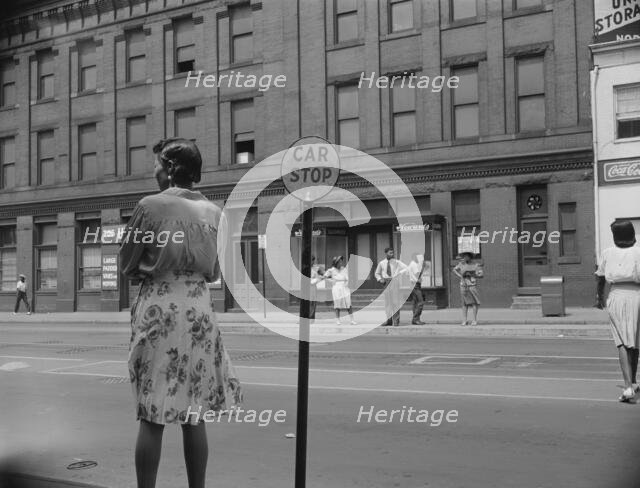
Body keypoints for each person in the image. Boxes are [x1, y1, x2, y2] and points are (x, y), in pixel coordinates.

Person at [120, 138, 243, 488]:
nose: (155, 171)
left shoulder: (150, 206)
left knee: (152, 410)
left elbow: (128, 263)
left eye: (158, 164)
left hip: (160, 306)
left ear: (171, 168)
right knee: (193, 411)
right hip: (200, 307)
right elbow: (217, 270)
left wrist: (151, 267)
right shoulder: (215, 213)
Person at [596, 220, 640, 403]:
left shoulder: (607, 253)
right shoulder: (639, 251)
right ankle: (634, 381)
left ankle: (628, 386)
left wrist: (599, 298)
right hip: (637, 295)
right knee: (635, 341)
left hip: (616, 295)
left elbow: (599, 278)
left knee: (622, 342)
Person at [375, 248, 408, 326]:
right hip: (386, 282)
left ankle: (396, 320)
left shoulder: (396, 262)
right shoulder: (382, 263)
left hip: (394, 282)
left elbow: (406, 268)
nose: (392, 254)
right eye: (390, 253)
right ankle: (388, 321)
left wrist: (399, 273)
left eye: (392, 253)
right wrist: (380, 279)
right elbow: (377, 273)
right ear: (386, 253)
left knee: (395, 302)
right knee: (387, 303)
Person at [324, 256, 356, 325]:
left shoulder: (344, 269)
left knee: (348, 303)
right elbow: (325, 276)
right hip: (336, 287)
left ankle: (352, 320)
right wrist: (332, 281)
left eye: (341, 261)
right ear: (335, 263)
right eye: (339, 262)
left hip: (344, 287)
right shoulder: (331, 270)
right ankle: (338, 320)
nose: (341, 263)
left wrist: (347, 283)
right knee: (337, 304)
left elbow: (347, 278)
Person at [453, 252, 482, 326]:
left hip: (472, 285)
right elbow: (454, 270)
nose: (465, 258)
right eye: (464, 256)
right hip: (463, 285)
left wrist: (473, 274)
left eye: (466, 256)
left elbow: (481, 274)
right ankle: (464, 320)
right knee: (464, 303)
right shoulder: (461, 264)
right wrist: (460, 275)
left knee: (474, 302)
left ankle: (474, 320)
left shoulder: (476, 265)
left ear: (470, 257)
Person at [408, 254, 426, 325]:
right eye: (420, 258)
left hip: (412, 284)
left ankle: (415, 319)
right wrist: (423, 267)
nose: (421, 259)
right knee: (420, 302)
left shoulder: (411, 264)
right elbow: (417, 274)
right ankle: (415, 319)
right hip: (416, 285)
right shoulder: (414, 264)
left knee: (415, 303)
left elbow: (407, 273)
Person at [309, 255, 325, 320]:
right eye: (311, 260)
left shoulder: (316, 268)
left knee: (312, 301)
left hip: (312, 286)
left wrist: (319, 278)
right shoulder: (305, 268)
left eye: (312, 260)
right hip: (306, 286)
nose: (312, 262)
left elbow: (323, 274)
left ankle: (311, 317)